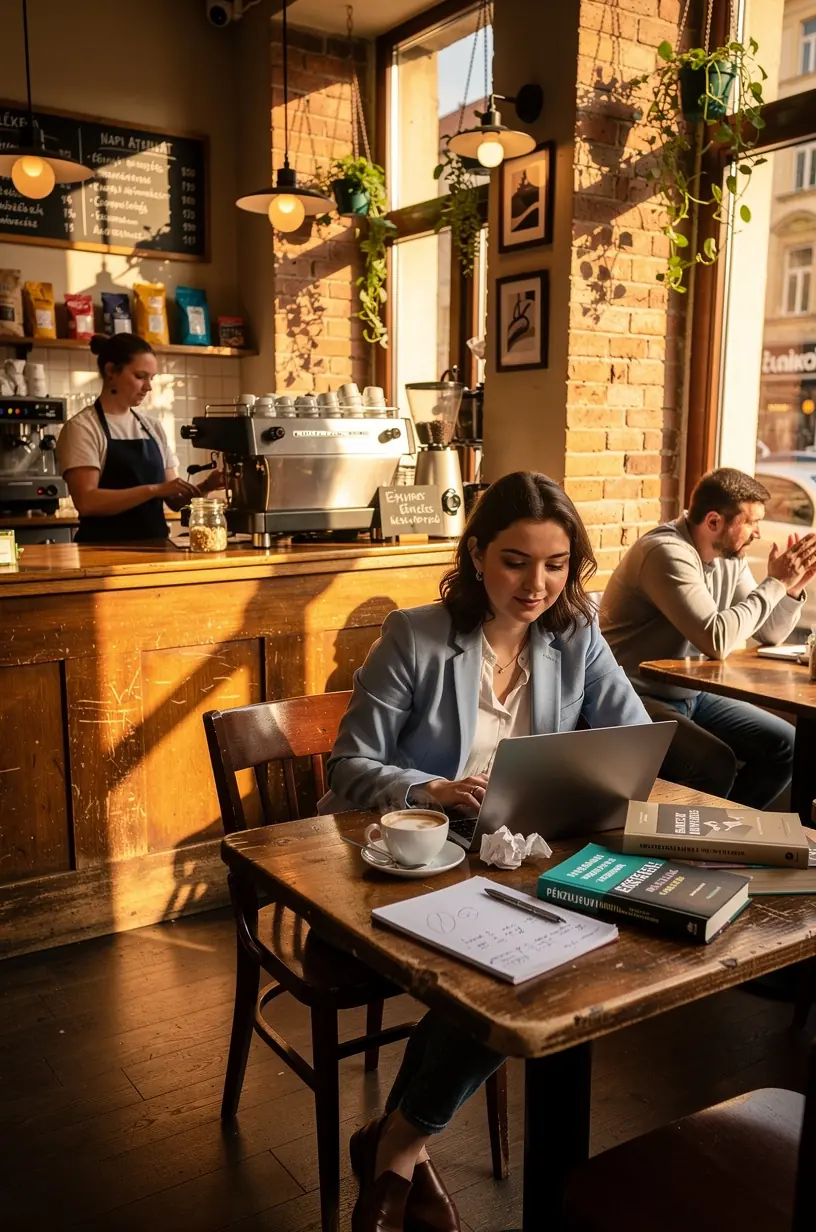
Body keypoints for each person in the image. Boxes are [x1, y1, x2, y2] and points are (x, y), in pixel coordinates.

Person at [321, 471, 652, 1232]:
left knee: (530, 962)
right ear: (475, 555)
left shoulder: (576, 634)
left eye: (556, 564)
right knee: (509, 978)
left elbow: (630, 735)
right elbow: (348, 767)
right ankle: (402, 1151)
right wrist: (430, 788)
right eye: (515, 560)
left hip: (524, 856)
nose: (536, 584)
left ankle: (395, 1148)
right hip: (410, 861)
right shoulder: (416, 634)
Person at [600, 467, 816, 808]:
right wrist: (774, 583)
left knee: (788, 745)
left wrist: (791, 589)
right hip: (634, 693)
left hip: (691, 693)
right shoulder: (666, 553)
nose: (758, 532)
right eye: (752, 522)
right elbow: (716, 640)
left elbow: (769, 632)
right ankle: (687, 843)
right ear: (714, 522)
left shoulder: (730, 557)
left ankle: (728, 833)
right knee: (715, 763)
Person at [56, 332, 222, 544]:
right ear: (110, 371)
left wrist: (207, 485)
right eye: (140, 376)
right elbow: (87, 501)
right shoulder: (83, 428)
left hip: (156, 549)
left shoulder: (152, 427)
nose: (148, 387)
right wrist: (153, 490)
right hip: (100, 552)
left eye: (151, 378)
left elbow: (173, 500)